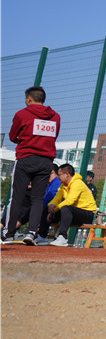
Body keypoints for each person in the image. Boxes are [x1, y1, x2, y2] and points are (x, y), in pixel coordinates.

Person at [2, 86, 61, 246]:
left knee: (16, 198)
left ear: (29, 99)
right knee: (37, 198)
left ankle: (8, 234)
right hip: (46, 161)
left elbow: (13, 136)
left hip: (25, 158)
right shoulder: (55, 117)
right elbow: (53, 136)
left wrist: (26, 139)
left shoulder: (22, 114)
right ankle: (32, 233)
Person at [47, 164, 98, 246]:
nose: (58, 177)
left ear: (67, 174)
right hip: (73, 213)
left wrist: (55, 209)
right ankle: (42, 235)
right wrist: (50, 206)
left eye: (59, 175)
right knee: (45, 208)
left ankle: (62, 237)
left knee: (66, 208)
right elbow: (56, 199)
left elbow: (70, 201)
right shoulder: (63, 186)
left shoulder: (77, 183)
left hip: (88, 214)